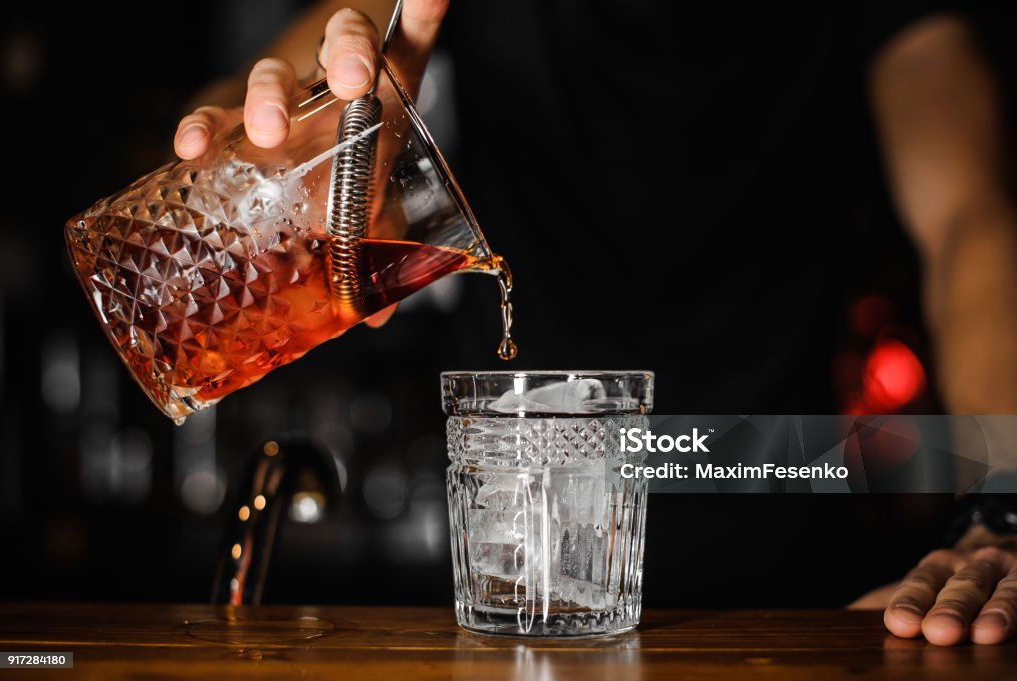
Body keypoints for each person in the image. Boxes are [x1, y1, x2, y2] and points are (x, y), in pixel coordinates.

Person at [172, 1, 1017, 646]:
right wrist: (262, 155)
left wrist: (1002, 504)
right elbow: (274, 81)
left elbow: (973, 223)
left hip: (776, 529)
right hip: (514, 572)